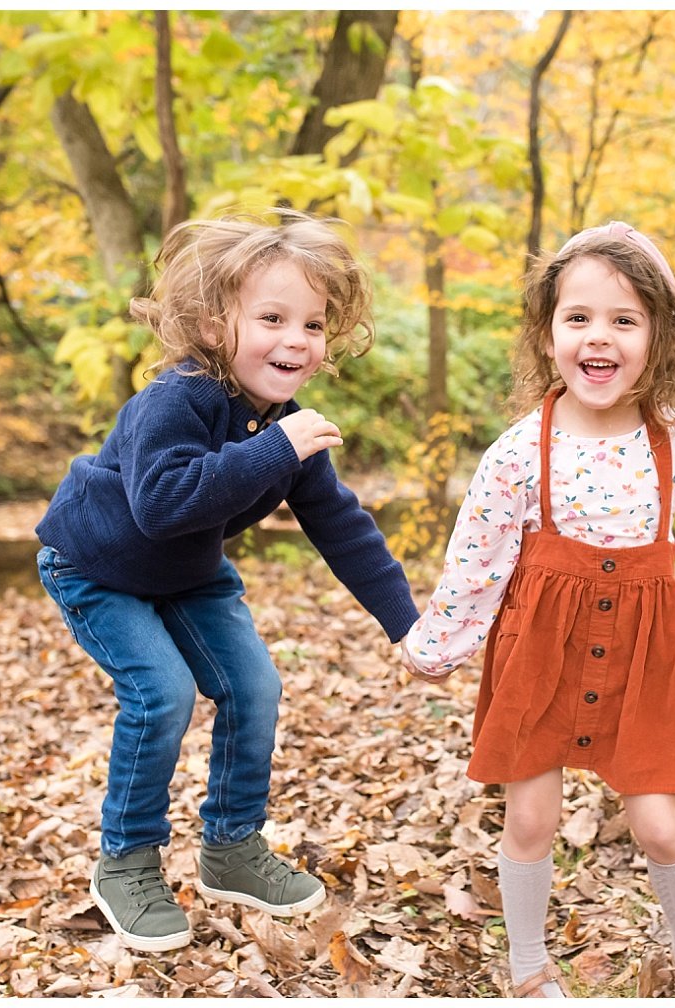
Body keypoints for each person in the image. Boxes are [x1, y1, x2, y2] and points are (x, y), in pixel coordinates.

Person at [399, 222, 675, 998]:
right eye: (578, 318)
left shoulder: (674, 438)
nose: (598, 337)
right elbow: (478, 556)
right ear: (546, 334)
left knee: (660, 823)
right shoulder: (518, 450)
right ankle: (530, 970)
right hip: (540, 648)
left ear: (659, 338)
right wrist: (439, 645)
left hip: (644, 651)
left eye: (623, 320)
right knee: (532, 820)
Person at [36, 211, 420, 952]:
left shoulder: (287, 425)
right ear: (216, 326)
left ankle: (232, 847)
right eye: (271, 317)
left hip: (189, 572)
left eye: (313, 324)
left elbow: (340, 525)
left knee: (256, 687)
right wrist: (275, 448)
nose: (295, 339)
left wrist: (405, 623)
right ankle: (126, 861)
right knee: (163, 692)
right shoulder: (176, 398)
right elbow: (162, 504)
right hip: (98, 566)